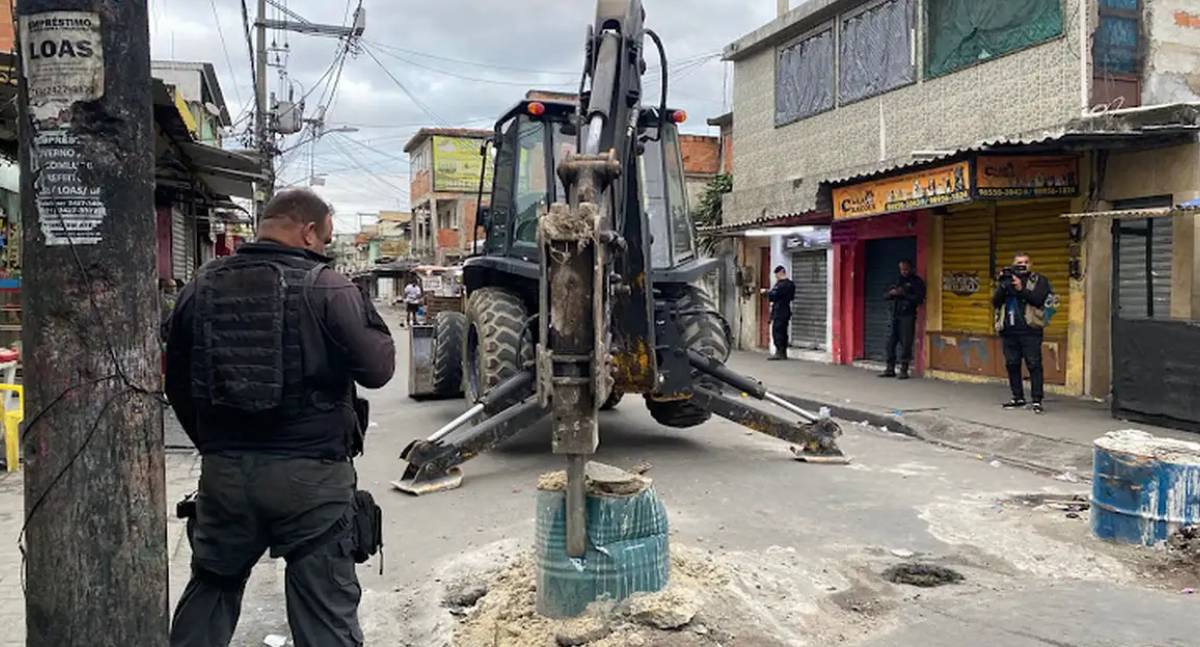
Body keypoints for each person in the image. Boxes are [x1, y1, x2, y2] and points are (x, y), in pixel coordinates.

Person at [165, 188, 396, 647]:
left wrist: (215, 446)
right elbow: (378, 369)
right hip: (311, 483)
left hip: (225, 476)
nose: (325, 248)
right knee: (324, 612)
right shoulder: (327, 286)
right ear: (308, 232)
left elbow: (176, 382)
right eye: (326, 239)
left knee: (211, 592)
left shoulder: (201, 284)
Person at [991, 252, 1052, 414]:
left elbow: (1038, 300)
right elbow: (995, 302)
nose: (1022, 265)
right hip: (1009, 331)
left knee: (1034, 364)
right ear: (1013, 264)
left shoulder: (1038, 280)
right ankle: (1017, 397)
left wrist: (1021, 288)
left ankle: (1037, 400)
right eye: (1018, 263)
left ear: (1030, 264)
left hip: (1030, 330)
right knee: (1012, 364)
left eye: (1025, 262)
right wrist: (1003, 286)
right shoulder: (1007, 280)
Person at [879, 259, 926, 380]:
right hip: (895, 314)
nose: (903, 271)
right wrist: (892, 293)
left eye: (905, 269)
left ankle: (904, 370)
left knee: (906, 343)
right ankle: (890, 368)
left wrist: (904, 294)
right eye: (901, 269)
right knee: (890, 343)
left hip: (908, 315)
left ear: (911, 268)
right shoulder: (896, 280)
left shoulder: (916, 281)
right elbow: (885, 295)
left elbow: (919, 299)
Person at [765, 265, 795, 361]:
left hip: (779, 310)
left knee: (777, 331)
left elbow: (774, 296)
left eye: (777, 274)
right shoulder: (791, 284)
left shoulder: (782, 285)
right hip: (785, 310)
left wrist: (766, 293)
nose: (776, 276)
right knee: (783, 331)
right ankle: (783, 352)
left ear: (781, 272)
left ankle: (779, 352)